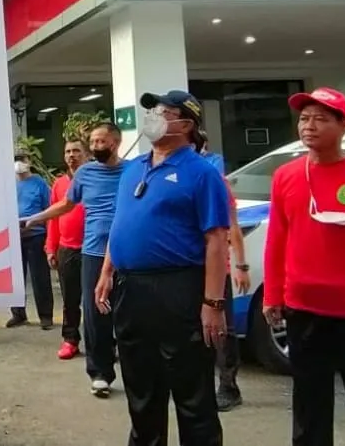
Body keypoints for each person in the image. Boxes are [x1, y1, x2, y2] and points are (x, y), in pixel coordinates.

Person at [95, 90, 229, 446]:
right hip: (131, 289)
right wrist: (107, 270)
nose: (153, 117)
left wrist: (213, 303)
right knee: (141, 386)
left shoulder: (201, 173)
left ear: (186, 124)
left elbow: (216, 240)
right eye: (152, 110)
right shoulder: (133, 168)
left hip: (178, 289)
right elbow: (120, 222)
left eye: (164, 112)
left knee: (191, 391)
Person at [264, 87, 345, 446]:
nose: (308, 126)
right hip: (304, 306)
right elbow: (277, 239)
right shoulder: (286, 176)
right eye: (304, 118)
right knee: (310, 400)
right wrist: (273, 295)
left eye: (321, 119)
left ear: (344, 127)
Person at [25, 124, 126, 397]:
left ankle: (134, 369)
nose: (95, 146)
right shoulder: (85, 173)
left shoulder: (132, 171)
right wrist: (37, 217)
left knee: (127, 313)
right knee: (95, 314)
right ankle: (100, 373)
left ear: (116, 142)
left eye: (101, 141)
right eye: (92, 141)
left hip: (127, 252)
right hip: (92, 252)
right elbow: (67, 204)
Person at [198, 131, 250, 411]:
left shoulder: (217, 183)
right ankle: (201, 386)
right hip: (190, 270)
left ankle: (228, 386)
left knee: (223, 331)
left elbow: (233, 227)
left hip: (220, 271)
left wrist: (241, 266)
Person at [44, 139, 88, 360]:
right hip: (67, 250)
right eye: (68, 152)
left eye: (77, 151)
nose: (72, 155)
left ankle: (103, 343)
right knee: (70, 300)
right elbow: (53, 217)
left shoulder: (95, 179)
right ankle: (70, 340)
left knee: (97, 300)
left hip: (92, 250)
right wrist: (50, 247)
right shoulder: (59, 184)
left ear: (86, 154)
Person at [8, 152, 54, 329]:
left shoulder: (39, 183)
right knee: (16, 279)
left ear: (29, 163)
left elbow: (48, 210)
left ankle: (46, 316)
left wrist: (49, 238)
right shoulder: (9, 183)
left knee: (39, 277)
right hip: (15, 237)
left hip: (36, 235)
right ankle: (18, 314)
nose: (18, 164)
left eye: (22, 160)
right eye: (16, 160)